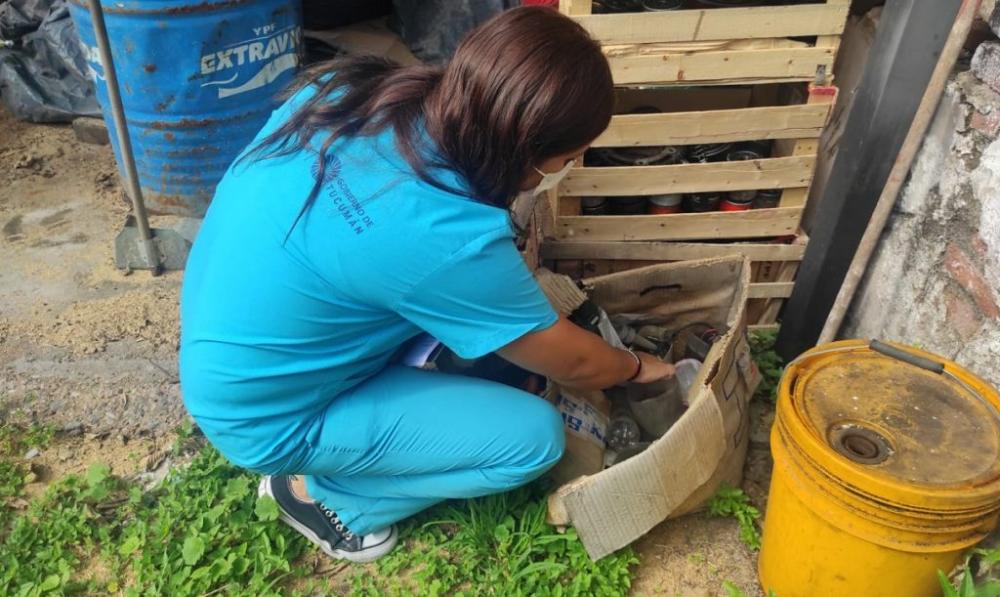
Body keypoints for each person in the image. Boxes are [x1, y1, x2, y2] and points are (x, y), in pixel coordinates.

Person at [179, 6, 675, 564]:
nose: (568, 168)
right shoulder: (444, 235)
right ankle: (323, 499)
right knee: (531, 439)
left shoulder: (347, 90)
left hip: (219, 340)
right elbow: (577, 366)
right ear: (525, 150)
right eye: (566, 158)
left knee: (486, 337)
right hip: (265, 415)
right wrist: (635, 368)